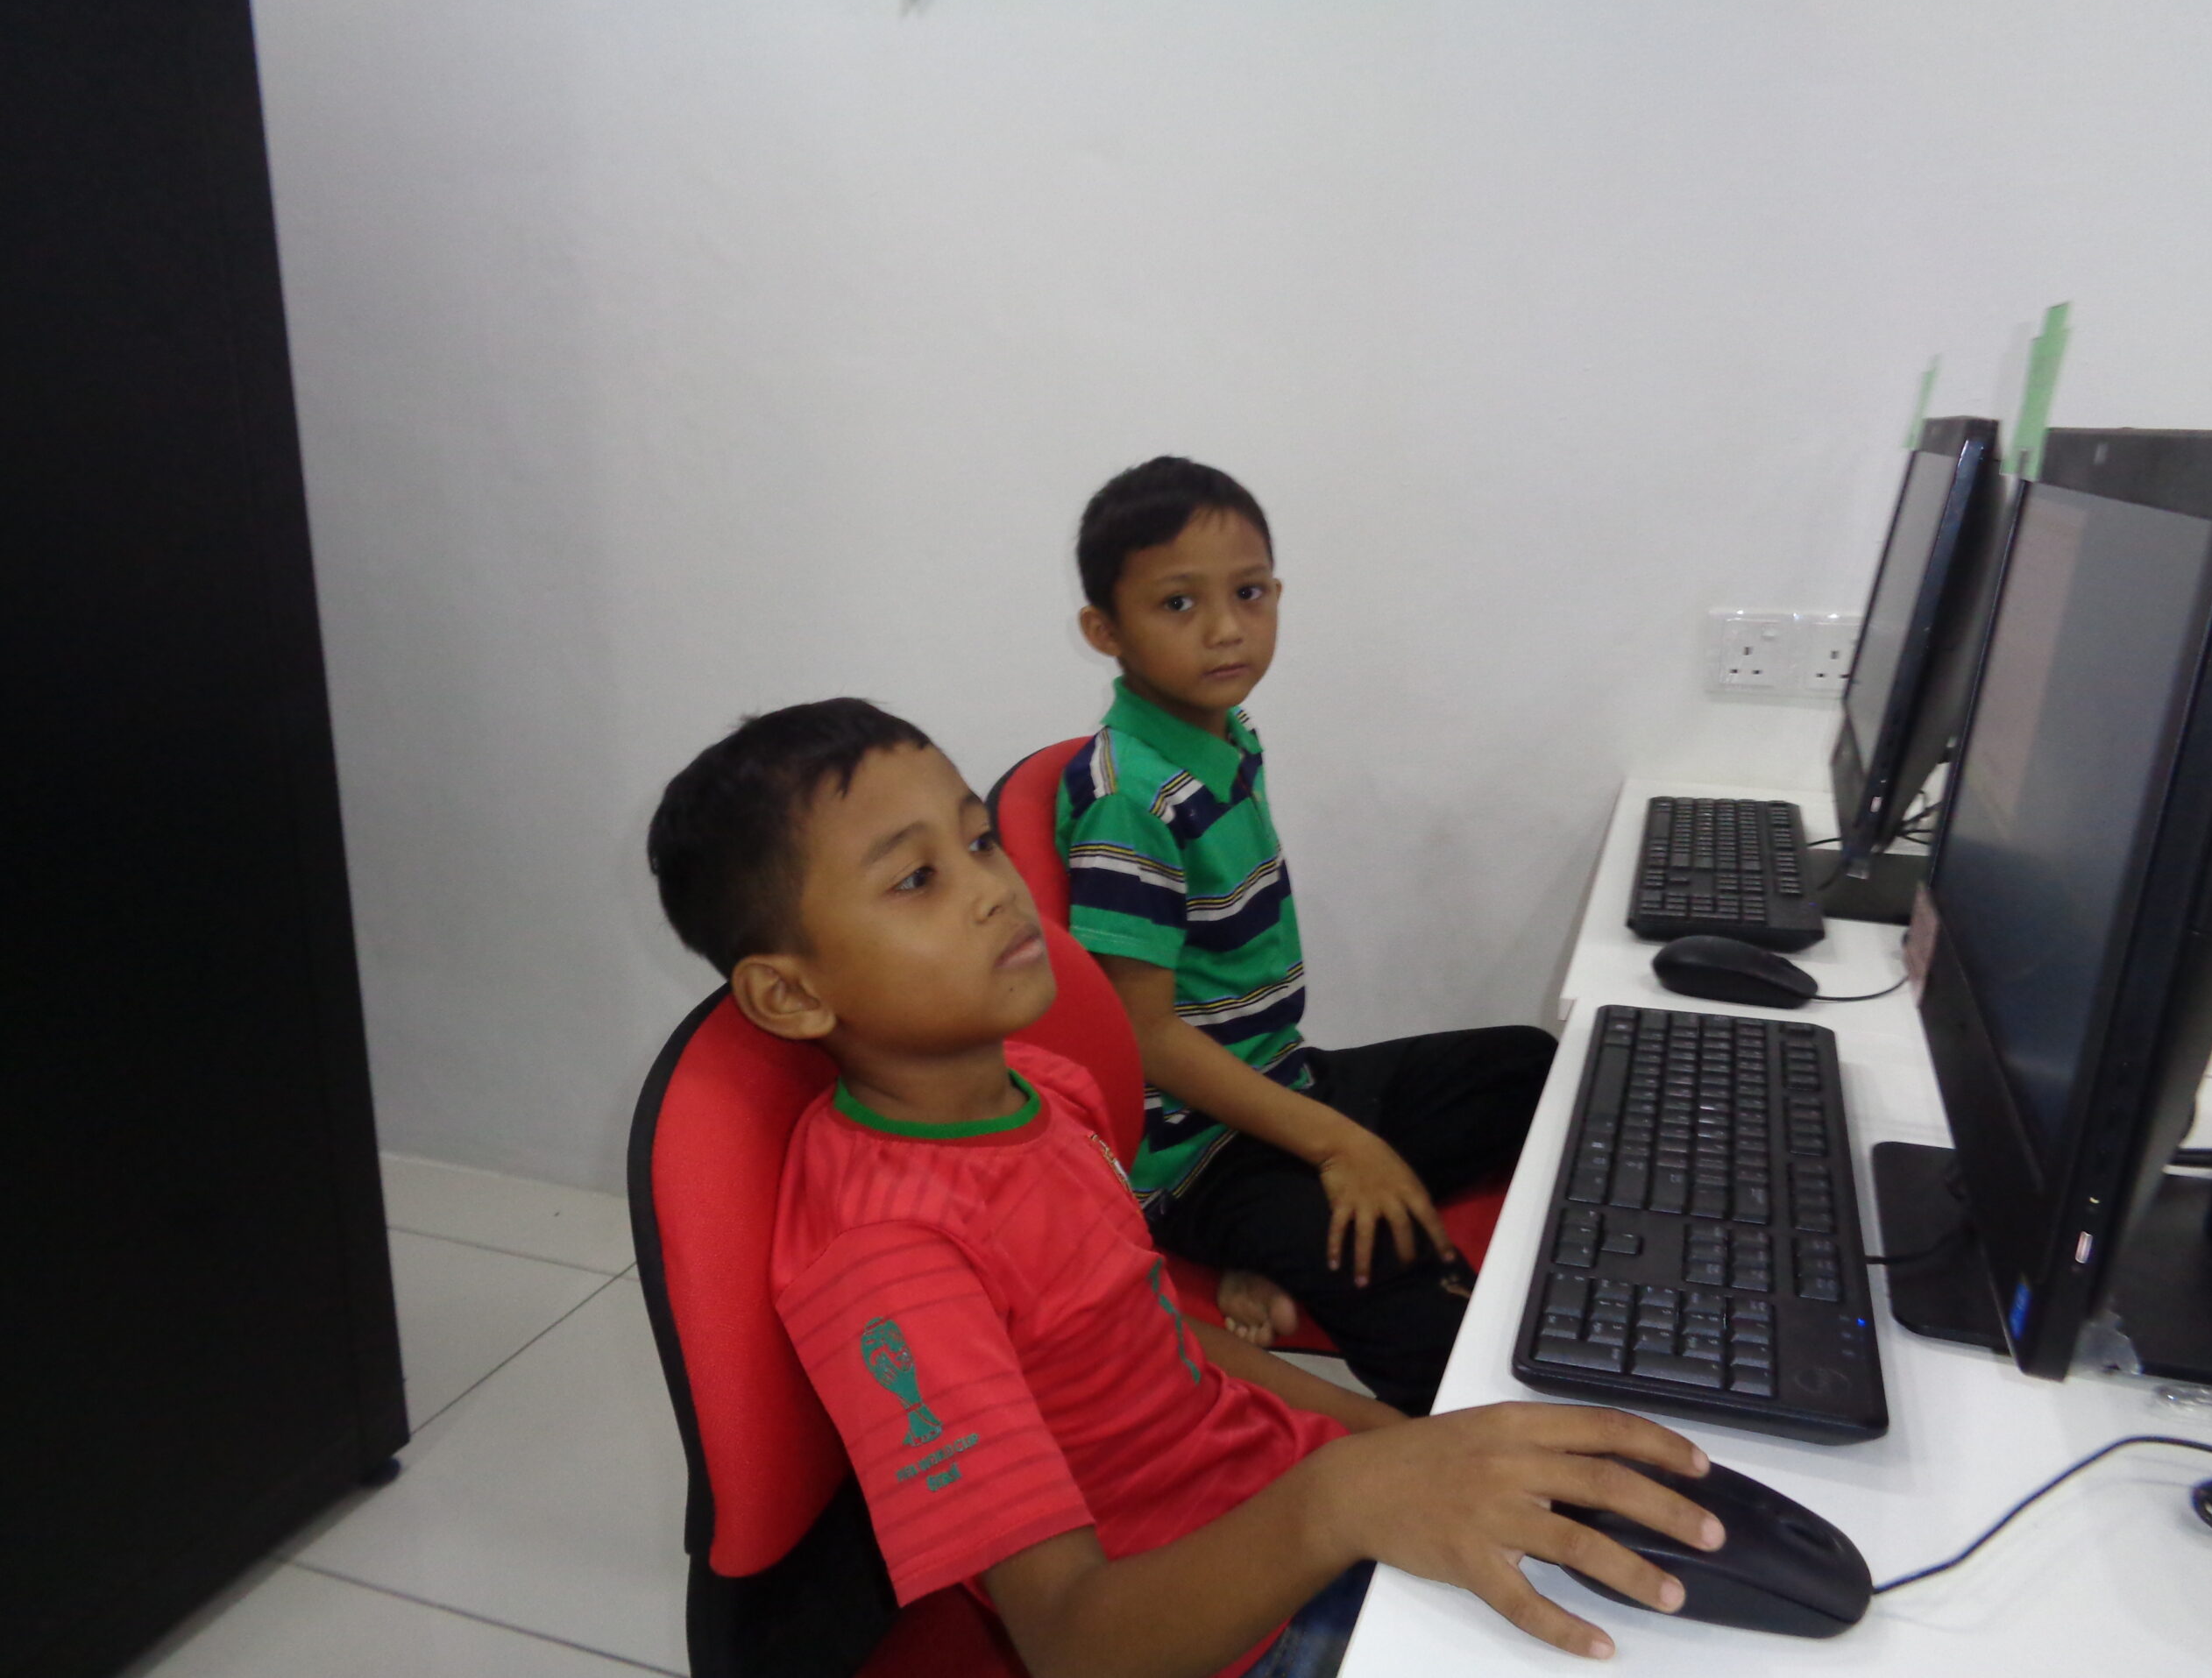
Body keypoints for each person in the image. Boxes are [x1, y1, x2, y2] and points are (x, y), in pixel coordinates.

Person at [646, 698, 1722, 1678]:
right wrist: (1343, 1499)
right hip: (1219, 1626)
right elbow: (1072, 1644)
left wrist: (1392, 1440)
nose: (992, 889)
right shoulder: (890, 1260)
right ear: (789, 996)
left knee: (1672, 1564)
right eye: (916, 880)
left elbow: (1148, 1323)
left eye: (977, 841)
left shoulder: (1042, 1087)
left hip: (1281, 1500)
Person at [1054, 457, 1555, 1413]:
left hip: (1281, 1081)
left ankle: (1280, 1241)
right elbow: (1142, 1036)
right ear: (1103, 631)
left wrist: (1333, 1138)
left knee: (1532, 1068)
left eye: (1248, 593)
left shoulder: (1227, 733)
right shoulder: (1130, 801)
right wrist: (1335, 1147)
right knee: (1426, 1299)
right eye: (1178, 604)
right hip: (1197, 1156)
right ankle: (1477, 1445)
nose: (1226, 628)